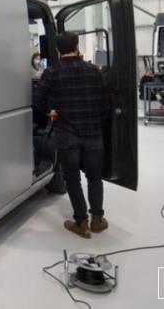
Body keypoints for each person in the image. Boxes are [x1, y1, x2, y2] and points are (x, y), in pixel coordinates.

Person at [33, 32, 110, 239]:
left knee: (73, 179)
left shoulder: (51, 72)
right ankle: (97, 219)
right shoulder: (94, 71)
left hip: (66, 133)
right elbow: (105, 103)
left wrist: (50, 112)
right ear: (77, 46)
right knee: (94, 177)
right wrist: (96, 120)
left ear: (58, 50)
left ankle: (81, 222)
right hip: (93, 133)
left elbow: (38, 99)